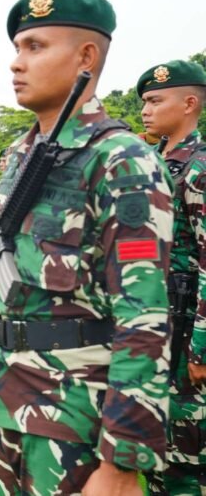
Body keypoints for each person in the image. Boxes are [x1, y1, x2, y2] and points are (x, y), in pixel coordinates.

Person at [0, 0, 175, 495]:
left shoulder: (121, 160)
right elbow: (6, 257)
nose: (16, 63)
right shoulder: (24, 157)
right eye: (17, 48)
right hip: (6, 403)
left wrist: (121, 463)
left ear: (86, 58)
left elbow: (145, 316)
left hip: (76, 420)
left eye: (36, 47)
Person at [137, 59, 206, 495]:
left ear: (189, 103)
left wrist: (202, 347)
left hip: (185, 338)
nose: (145, 110)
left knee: (188, 463)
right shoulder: (153, 165)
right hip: (153, 336)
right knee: (157, 458)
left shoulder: (198, 168)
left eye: (155, 100)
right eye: (144, 101)